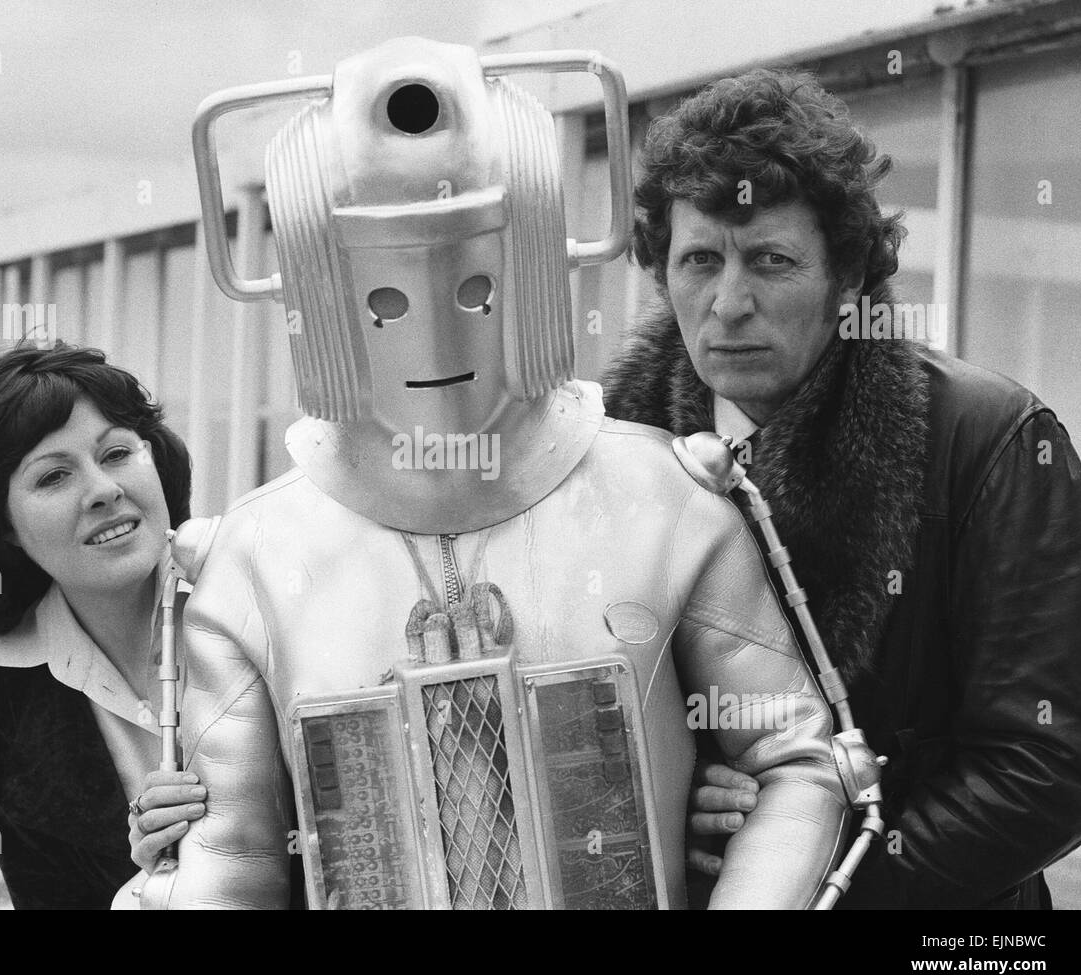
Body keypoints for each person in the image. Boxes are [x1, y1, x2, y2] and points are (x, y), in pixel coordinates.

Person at [144, 37, 848, 910]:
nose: (433, 336)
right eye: (383, 300)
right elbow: (235, 853)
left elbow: (796, 764)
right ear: (320, 298)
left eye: (475, 287)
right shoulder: (247, 558)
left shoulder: (670, 497)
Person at [602, 67, 1081, 908]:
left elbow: (1051, 763)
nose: (728, 303)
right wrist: (673, 811)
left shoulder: (987, 439)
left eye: (771, 261)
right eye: (698, 260)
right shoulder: (613, 448)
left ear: (848, 278)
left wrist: (814, 871)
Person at [0, 343, 207, 909]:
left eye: (118, 453)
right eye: (54, 476)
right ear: (3, 527)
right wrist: (149, 883)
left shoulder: (256, 593)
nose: (103, 490)